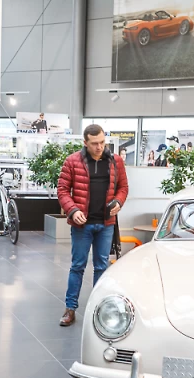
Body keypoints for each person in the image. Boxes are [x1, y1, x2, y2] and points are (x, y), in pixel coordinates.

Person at [57, 124, 129, 326]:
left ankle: (98, 309)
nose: (99, 147)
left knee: (101, 266)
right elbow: (62, 190)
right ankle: (70, 309)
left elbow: (123, 187)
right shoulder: (72, 161)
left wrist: (119, 202)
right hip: (82, 225)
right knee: (77, 266)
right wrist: (73, 210)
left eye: (102, 142)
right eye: (95, 143)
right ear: (85, 143)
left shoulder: (115, 161)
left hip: (106, 223)